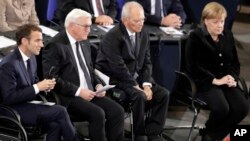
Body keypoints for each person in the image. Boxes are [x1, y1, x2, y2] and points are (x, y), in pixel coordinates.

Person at [42, 9, 124, 141]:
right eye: (86, 26)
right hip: (70, 96)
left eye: (90, 26)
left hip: (90, 92)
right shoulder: (55, 45)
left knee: (117, 111)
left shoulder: (85, 41)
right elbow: (51, 78)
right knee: (98, 114)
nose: (89, 30)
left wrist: (98, 84)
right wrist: (79, 91)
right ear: (73, 26)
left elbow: (90, 69)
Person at [96, 2, 169, 141]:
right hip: (117, 80)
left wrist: (147, 84)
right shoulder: (113, 36)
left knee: (163, 94)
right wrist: (136, 85)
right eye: (137, 20)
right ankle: (139, 135)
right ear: (125, 20)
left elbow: (147, 62)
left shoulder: (143, 33)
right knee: (139, 96)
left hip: (136, 78)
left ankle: (154, 134)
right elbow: (118, 67)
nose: (141, 23)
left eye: (142, 19)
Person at [0, 24, 80, 141]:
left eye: (42, 41)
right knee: (60, 111)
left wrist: (44, 86)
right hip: (12, 110)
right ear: (24, 41)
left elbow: (33, 81)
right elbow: (9, 97)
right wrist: (37, 87)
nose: (42, 45)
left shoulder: (32, 57)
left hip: (27, 104)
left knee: (55, 124)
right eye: (37, 41)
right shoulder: (9, 64)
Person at [185, 2, 249, 141]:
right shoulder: (195, 37)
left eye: (222, 21)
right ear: (206, 21)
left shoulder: (228, 36)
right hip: (206, 82)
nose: (220, 25)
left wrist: (232, 77)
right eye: (216, 22)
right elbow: (193, 66)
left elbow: (235, 63)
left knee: (242, 108)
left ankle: (212, 135)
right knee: (222, 108)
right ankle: (212, 135)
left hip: (225, 80)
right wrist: (215, 80)